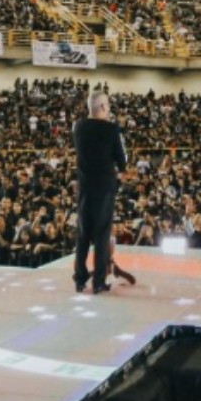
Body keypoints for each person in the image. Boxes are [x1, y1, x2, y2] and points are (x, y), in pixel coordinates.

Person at [72, 89, 126, 294]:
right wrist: (120, 170)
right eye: (108, 105)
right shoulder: (111, 129)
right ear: (103, 107)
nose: (109, 108)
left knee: (83, 232)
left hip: (85, 185)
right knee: (102, 234)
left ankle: (79, 278)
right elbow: (121, 160)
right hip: (104, 187)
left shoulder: (78, 127)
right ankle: (99, 282)